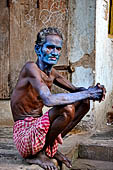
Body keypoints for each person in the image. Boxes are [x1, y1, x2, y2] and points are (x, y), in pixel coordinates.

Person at [11, 27, 106, 170]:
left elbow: (77, 91)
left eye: (58, 49)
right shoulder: (31, 68)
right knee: (66, 108)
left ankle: (50, 148)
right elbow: (48, 100)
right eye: (49, 47)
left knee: (84, 102)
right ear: (38, 49)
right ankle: (39, 154)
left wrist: (95, 90)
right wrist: (88, 93)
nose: (55, 52)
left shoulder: (52, 73)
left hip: (37, 130)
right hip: (25, 136)